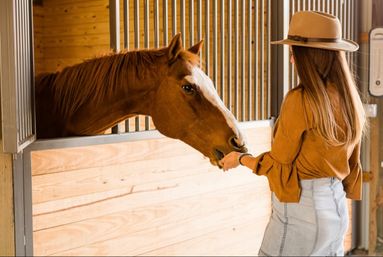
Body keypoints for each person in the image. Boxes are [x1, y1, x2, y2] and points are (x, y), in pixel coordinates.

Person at [219, 11, 366, 256]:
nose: (291, 60)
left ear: (309, 56)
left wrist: (241, 159)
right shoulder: (351, 100)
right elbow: (353, 163)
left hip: (302, 210)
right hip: (337, 209)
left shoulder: (300, 100)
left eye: (294, 52)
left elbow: (280, 163)